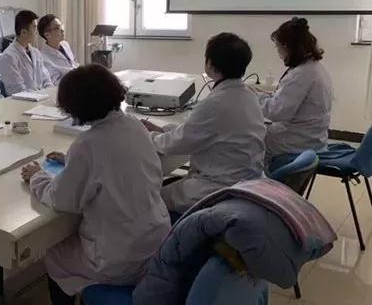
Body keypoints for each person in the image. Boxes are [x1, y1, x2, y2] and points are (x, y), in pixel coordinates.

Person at [21, 65, 170, 304]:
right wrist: (72, 161)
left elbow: (61, 200)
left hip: (121, 258)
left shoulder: (87, 144)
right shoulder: (135, 126)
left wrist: (38, 176)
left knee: (54, 255)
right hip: (157, 243)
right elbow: (114, 161)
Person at [142, 33, 266, 218]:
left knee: (149, 200)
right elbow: (201, 131)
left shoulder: (216, 103)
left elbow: (176, 144)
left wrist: (147, 136)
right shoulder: (248, 96)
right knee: (168, 188)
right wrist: (164, 130)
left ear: (210, 63)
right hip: (246, 181)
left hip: (219, 187)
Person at [255, 18, 333, 166]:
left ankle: (258, 178)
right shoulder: (315, 68)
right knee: (259, 131)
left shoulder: (300, 74)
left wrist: (253, 98)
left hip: (297, 143)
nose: (278, 53)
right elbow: (285, 101)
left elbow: (277, 112)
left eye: (278, 48)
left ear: (287, 47)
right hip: (312, 138)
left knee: (250, 138)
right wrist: (261, 95)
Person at [0, 10, 53, 96]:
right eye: (34, 27)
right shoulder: (8, 57)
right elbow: (17, 90)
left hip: (41, 97)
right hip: (23, 101)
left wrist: (50, 93)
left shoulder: (36, 53)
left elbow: (46, 79)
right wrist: (39, 96)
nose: (36, 32)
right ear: (23, 32)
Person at [37, 14, 79, 85]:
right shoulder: (43, 57)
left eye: (61, 25)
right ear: (47, 35)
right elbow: (55, 82)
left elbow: (74, 64)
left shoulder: (65, 44)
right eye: (57, 28)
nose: (62, 29)